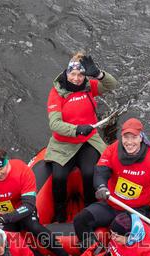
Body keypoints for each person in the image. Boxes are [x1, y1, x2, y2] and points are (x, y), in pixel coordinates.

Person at [36, 52, 118, 223]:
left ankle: (90, 209)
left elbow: (112, 84)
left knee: (89, 173)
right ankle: (60, 212)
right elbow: (55, 124)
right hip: (63, 143)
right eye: (73, 74)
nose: (76, 78)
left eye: (81, 74)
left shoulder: (89, 86)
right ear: (67, 72)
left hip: (88, 141)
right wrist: (77, 129)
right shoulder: (57, 93)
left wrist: (98, 74)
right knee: (59, 177)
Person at [72, 118, 150, 247]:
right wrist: (101, 186)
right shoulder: (112, 150)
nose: (129, 142)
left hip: (137, 210)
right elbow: (100, 171)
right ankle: (93, 250)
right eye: (126, 137)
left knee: (119, 226)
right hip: (111, 205)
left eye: (134, 137)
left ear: (141, 138)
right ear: (122, 137)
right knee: (80, 220)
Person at [0, 146, 70, 256]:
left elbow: (29, 205)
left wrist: (5, 218)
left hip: (22, 211)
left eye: (1, 169)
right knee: (6, 243)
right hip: (0, 214)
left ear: (7, 162)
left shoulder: (22, 171)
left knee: (35, 227)